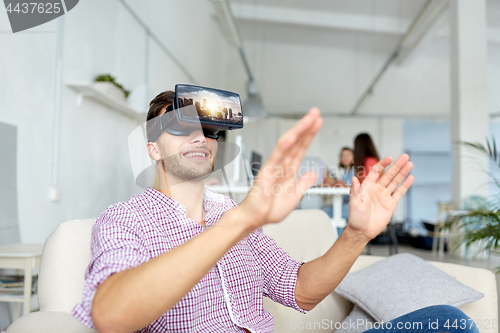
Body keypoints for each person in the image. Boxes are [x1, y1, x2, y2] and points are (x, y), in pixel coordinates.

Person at [72, 89, 478, 333]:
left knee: (445, 319)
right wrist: (242, 220)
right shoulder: (126, 219)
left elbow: (299, 290)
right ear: (153, 149)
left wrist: (356, 234)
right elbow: (111, 316)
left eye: (210, 130)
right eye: (180, 127)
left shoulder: (231, 214)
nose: (200, 137)